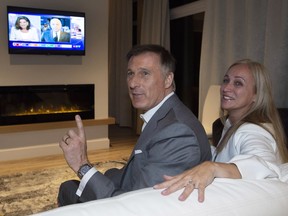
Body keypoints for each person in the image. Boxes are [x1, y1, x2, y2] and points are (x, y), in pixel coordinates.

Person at [57, 44, 212, 206]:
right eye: (130, 73)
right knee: (89, 180)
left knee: (68, 188)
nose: (133, 83)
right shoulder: (165, 114)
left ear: (168, 80)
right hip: (133, 193)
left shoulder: (177, 132)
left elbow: (136, 205)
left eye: (145, 74)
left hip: (133, 207)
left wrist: (82, 166)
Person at [154, 59, 288, 202]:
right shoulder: (232, 124)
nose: (226, 88)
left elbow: (263, 164)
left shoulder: (251, 130)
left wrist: (212, 167)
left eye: (238, 83)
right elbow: (225, 154)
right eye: (226, 80)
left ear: (256, 95)